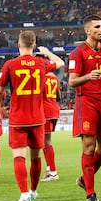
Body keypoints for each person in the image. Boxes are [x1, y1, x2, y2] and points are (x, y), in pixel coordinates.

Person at [0, 30, 64, 201]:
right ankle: (33, 190)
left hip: (18, 118)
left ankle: (24, 194)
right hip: (38, 118)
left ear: (18, 45)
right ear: (33, 45)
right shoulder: (41, 63)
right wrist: (46, 53)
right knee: (36, 158)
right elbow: (60, 62)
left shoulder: (10, 65)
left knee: (19, 157)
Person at [68, 14, 101, 201]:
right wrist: (88, 76)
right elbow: (72, 81)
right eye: (97, 27)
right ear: (88, 30)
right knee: (89, 147)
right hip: (87, 102)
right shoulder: (77, 53)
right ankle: (90, 193)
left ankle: (83, 179)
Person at [36, 54, 62, 182]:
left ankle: (53, 172)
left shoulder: (39, 77)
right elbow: (58, 96)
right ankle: (49, 169)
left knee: (45, 143)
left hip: (44, 111)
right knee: (46, 141)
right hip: (54, 110)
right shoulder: (55, 78)